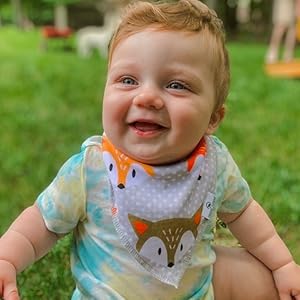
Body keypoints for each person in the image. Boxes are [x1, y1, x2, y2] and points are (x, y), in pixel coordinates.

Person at [0, 1, 299, 299]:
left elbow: (243, 213)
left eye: (176, 85)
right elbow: (42, 224)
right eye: (128, 80)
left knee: (258, 276)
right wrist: (7, 258)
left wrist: (283, 264)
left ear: (212, 119)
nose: (147, 97)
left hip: (195, 292)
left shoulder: (213, 164)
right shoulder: (90, 169)